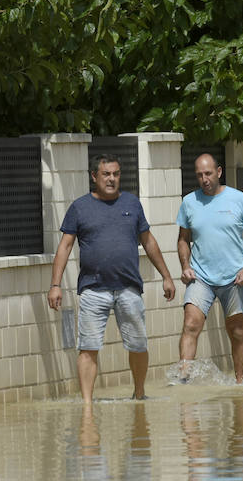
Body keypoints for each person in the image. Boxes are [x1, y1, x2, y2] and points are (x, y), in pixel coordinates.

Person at [49, 154, 176, 404]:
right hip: (93, 289)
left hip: (128, 288)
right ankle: (87, 405)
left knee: (138, 344)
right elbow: (64, 247)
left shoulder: (132, 203)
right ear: (94, 177)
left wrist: (166, 276)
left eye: (116, 174)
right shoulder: (79, 207)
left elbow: (148, 241)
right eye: (106, 174)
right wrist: (55, 285)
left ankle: (139, 395)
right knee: (88, 346)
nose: (111, 179)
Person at [176, 152, 243, 384]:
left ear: (218, 172)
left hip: (233, 277)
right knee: (190, 324)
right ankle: (183, 379)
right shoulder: (189, 202)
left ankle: (240, 382)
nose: (204, 179)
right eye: (199, 175)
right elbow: (183, 239)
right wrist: (185, 266)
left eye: (208, 173)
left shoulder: (239, 199)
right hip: (201, 277)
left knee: (236, 332)